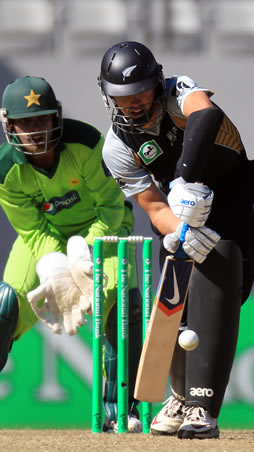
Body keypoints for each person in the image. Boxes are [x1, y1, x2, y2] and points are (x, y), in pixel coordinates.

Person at [98, 41, 254, 440]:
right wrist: (181, 230)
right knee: (177, 296)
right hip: (180, 211)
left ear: (157, 82)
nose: (134, 103)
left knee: (225, 272)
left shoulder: (179, 92)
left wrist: (187, 180)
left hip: (241, 191)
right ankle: (184, 399)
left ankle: (203, 403)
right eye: (121, 97)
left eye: (141, 90)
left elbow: (205, 113)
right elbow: (153, 207)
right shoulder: (116, 147)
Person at [0, 75, 143, 433]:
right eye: (25, 122)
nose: (35, 130)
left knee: (118, 298)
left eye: (41, 119)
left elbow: (111, 207)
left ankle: (120, 409)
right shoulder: (6, 171)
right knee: (5, 305)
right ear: (9, 124)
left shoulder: (87, 143)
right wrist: (55, 266)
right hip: (44, 239)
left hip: (103, 231)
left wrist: (83, 249)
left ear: (55, 118)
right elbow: (32, 229)